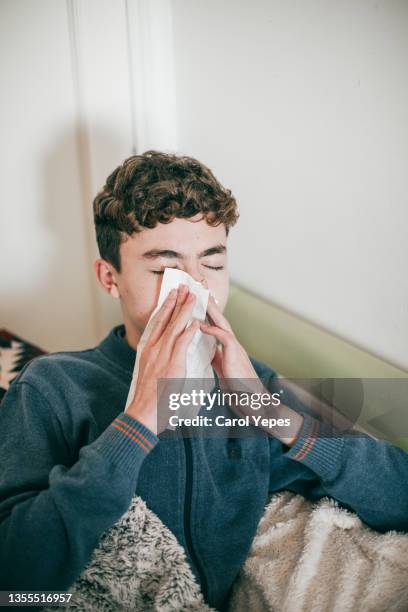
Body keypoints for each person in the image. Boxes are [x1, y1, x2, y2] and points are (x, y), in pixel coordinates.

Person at [0, 151, 407, 611]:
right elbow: (14, 582)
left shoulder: (248, 388)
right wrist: (139, 421)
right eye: (164, 269)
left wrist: (271, 413)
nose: (197, 289)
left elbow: (399, 495)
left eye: (212, 265)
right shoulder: (52, 386)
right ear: (109, 278)